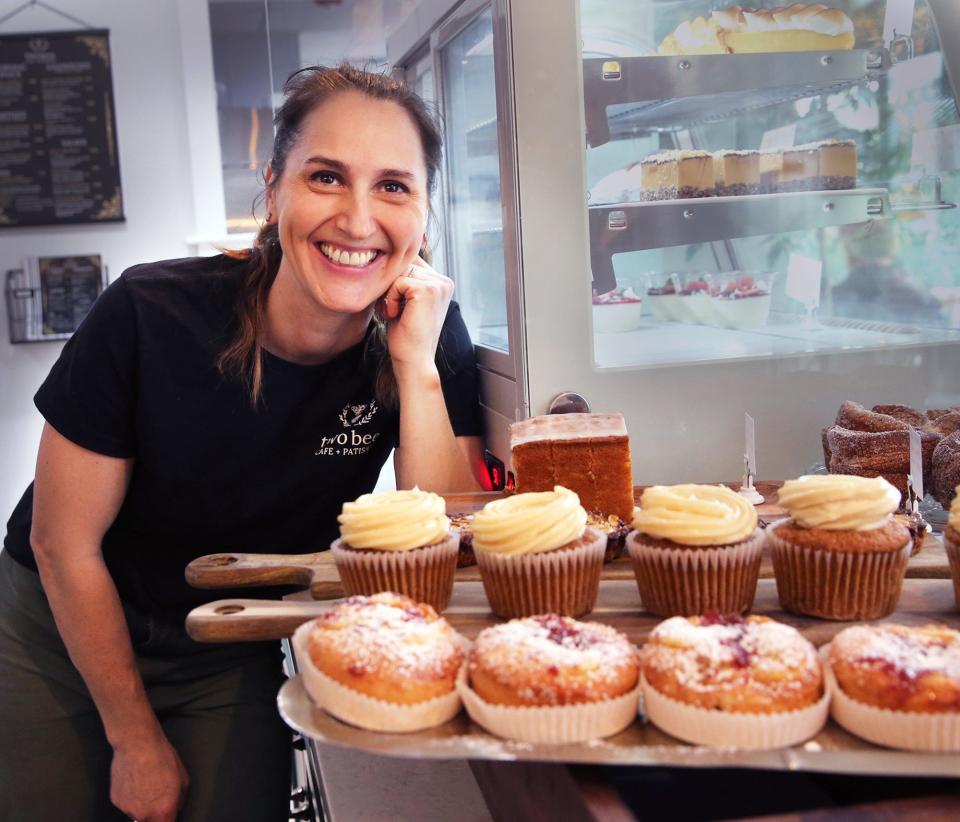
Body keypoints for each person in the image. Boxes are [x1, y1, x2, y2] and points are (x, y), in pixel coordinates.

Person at [0, 64, 486, 822]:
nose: (359, 221)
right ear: (273, 190)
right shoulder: (151, 313)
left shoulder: (422, 329)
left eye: (394, 186)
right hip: (58, 628)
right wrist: (134, 740)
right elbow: (63, 544)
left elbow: (441, 538)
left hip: (223, 640)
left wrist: (416, 367)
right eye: (326, 177)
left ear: (425, 211)